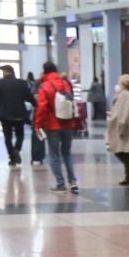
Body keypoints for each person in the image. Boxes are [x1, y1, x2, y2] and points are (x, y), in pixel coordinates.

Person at [34, 61, 81, 191]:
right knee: (67, 154)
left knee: (54, 155)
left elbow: (42, 107)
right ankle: (73, 181)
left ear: (44, 72)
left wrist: (38, 124)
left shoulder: (45, 86)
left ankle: (60, 183)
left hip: (53, 125)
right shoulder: (65, 83)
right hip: (68, 123)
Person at [105, 73, 129, 185]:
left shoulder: (123, 96)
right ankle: (128, 176)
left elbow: (123, 113)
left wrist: (120, 129)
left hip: (124, 126)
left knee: (117, 150)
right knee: (125, 151)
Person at [0, 64, 34, 166]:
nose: (2, 73)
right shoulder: (22, 83)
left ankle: (12, 157)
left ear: (7, 72)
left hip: (5, 114)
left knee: (7, 137)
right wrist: (36, 104)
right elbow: (28, 96)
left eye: (3, 71)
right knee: (20, 135)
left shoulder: (0, 83)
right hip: (19, 113)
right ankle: (17, 149)